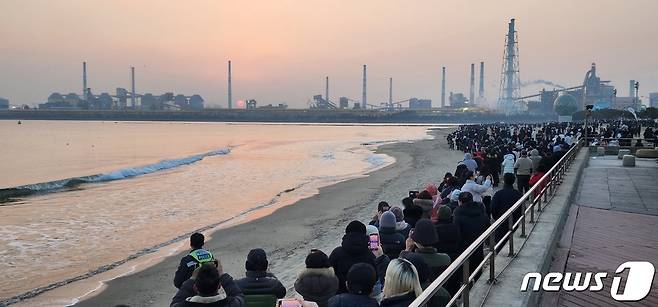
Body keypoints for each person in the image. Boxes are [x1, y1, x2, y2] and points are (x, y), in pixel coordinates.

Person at [329, 221, 381, 294]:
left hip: (340, 297)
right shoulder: (370, 255)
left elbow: (329, 275)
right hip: (364, 297)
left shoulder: (337, 253)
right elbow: (376, 278)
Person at [171, 261, 245, 307]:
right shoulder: (230, 304)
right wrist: (222, 274)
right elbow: (239, 296)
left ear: (195, 288)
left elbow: (175, 303)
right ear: (219, 286)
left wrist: (192, 279)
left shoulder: (185, 305)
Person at [453, 192, 490, 281]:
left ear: (460, 202)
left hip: (463, 249)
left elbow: (456, 234)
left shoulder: (457, 216)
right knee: (478, 272)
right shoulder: (482, 212)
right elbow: (488, 228)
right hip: (478, 247)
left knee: (465, 276)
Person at [491, 173, 523, 251]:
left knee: (500, 243)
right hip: (514, 221)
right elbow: (522, 209)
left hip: (500, 221)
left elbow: (493, 208)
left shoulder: (498, 194)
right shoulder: (518, 194)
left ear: (504, 181)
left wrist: (496, 218)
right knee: (513, 240)